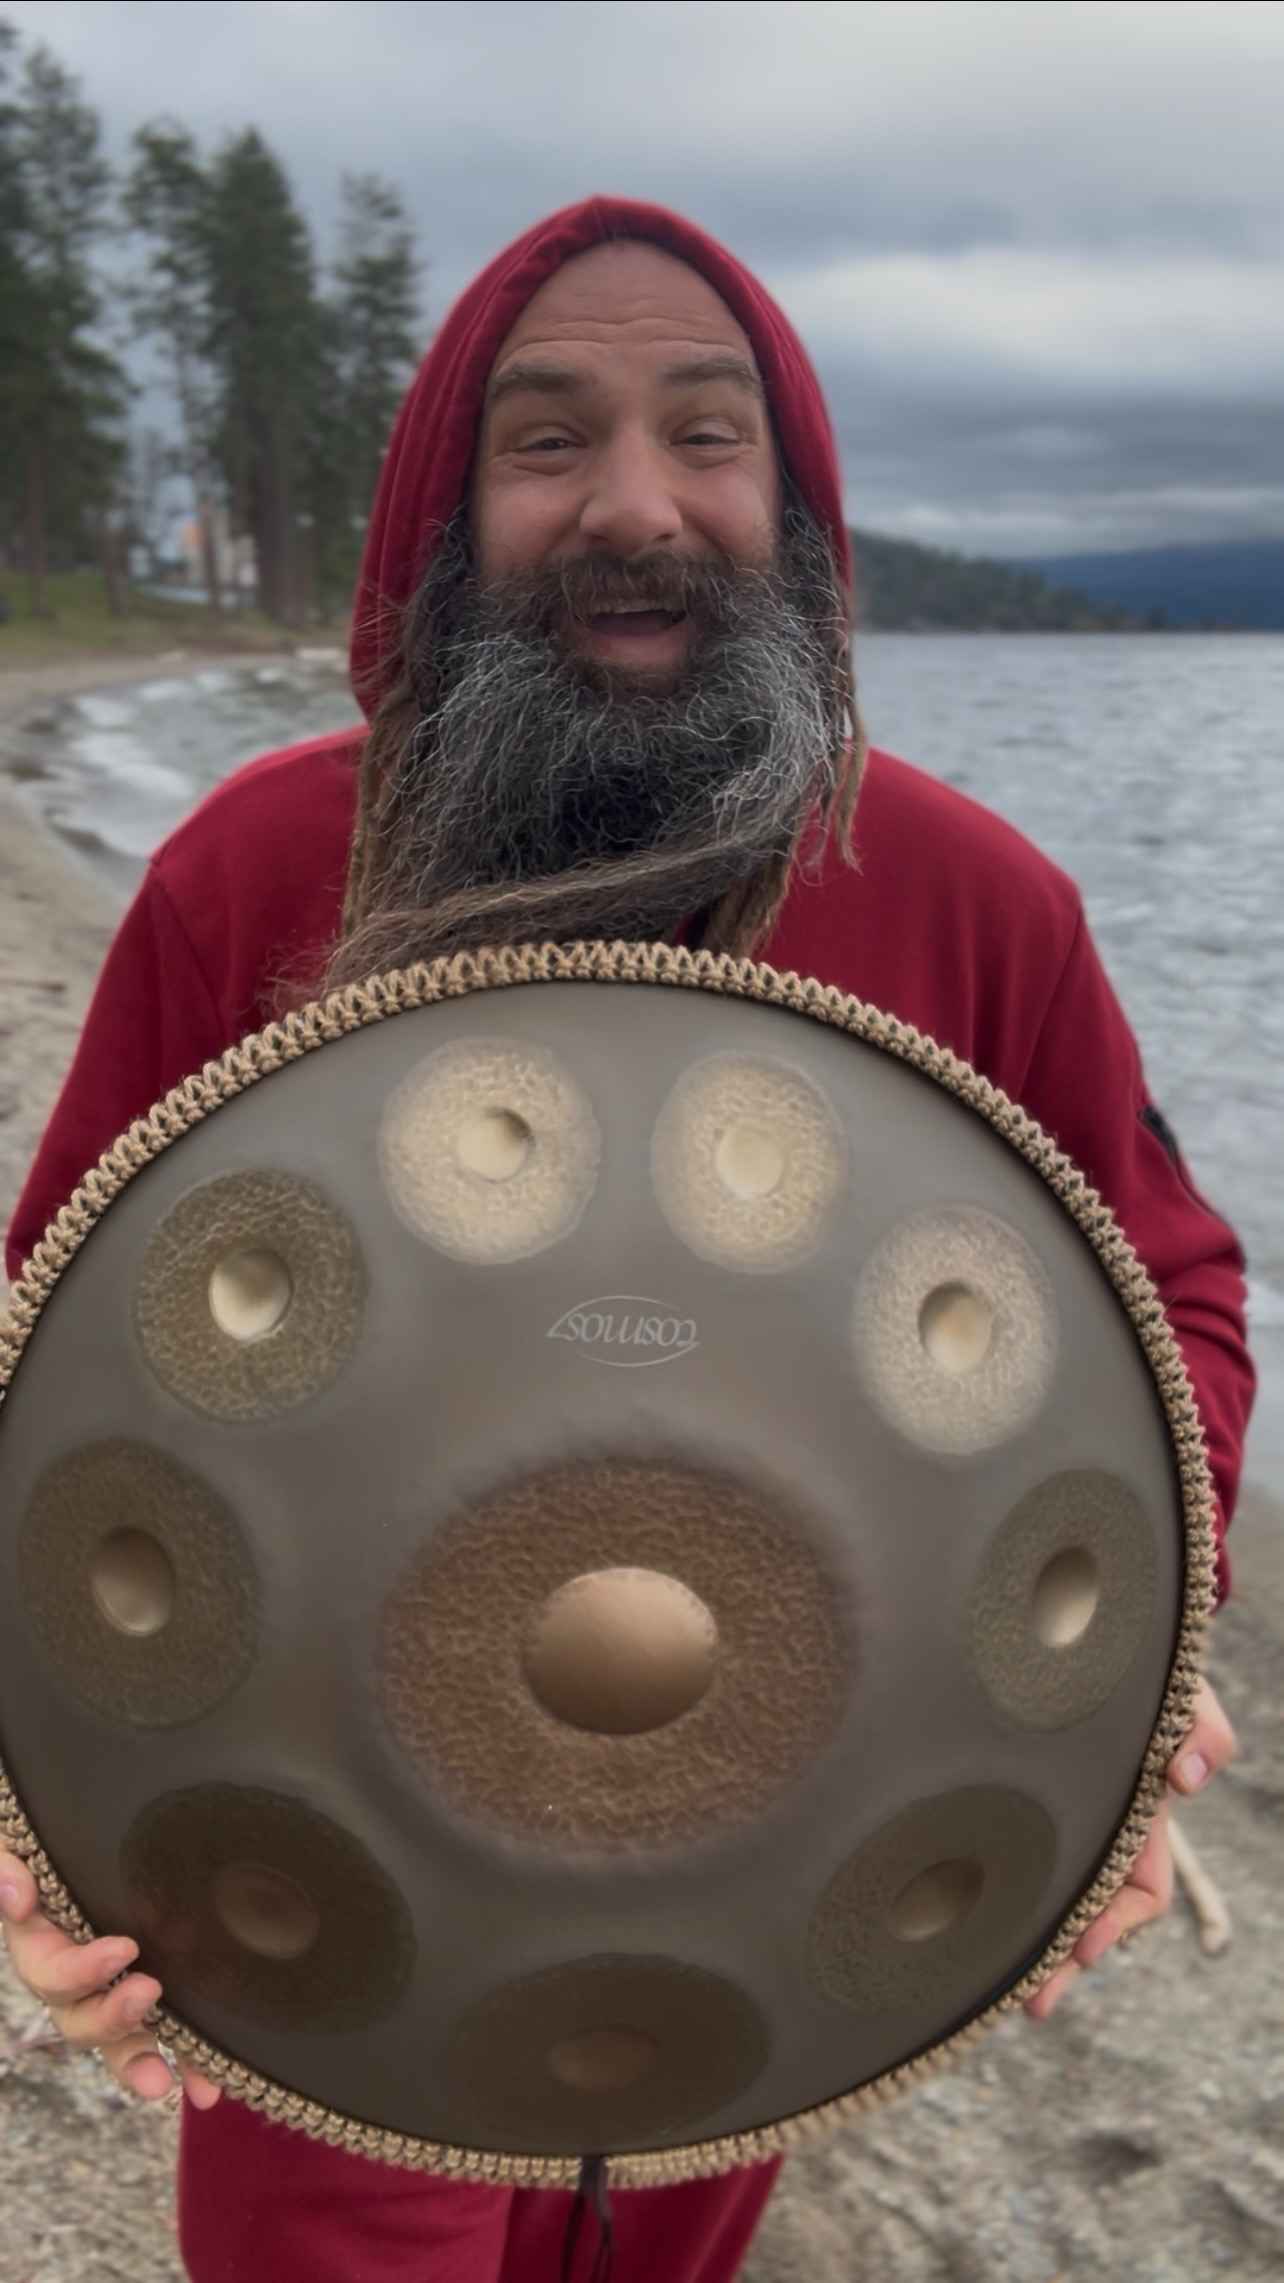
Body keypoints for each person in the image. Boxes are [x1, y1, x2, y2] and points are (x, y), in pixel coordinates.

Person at [0, 196, 1252, 2283]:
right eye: (550, 439)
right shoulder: (258, 867)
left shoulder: (971, 898)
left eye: (708, 433)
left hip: (760, 1815)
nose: (639, 508)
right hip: (330, 1848)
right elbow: (46, 1356)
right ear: (441, 513)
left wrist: (1137, 1635)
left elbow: (1170, 1293)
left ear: (801, 504)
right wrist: (35, 1800)